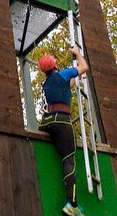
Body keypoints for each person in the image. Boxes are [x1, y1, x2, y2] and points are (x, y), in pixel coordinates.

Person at [38, 46, 89, 216]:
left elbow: (70, 83)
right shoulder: (63, 74)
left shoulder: (46, 84)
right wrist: (77, 53)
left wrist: (77, 77)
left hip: (47, 121)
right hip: (62, 120)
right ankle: (72, 204)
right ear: (55, 65)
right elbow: (84, 67)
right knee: (68, 160)